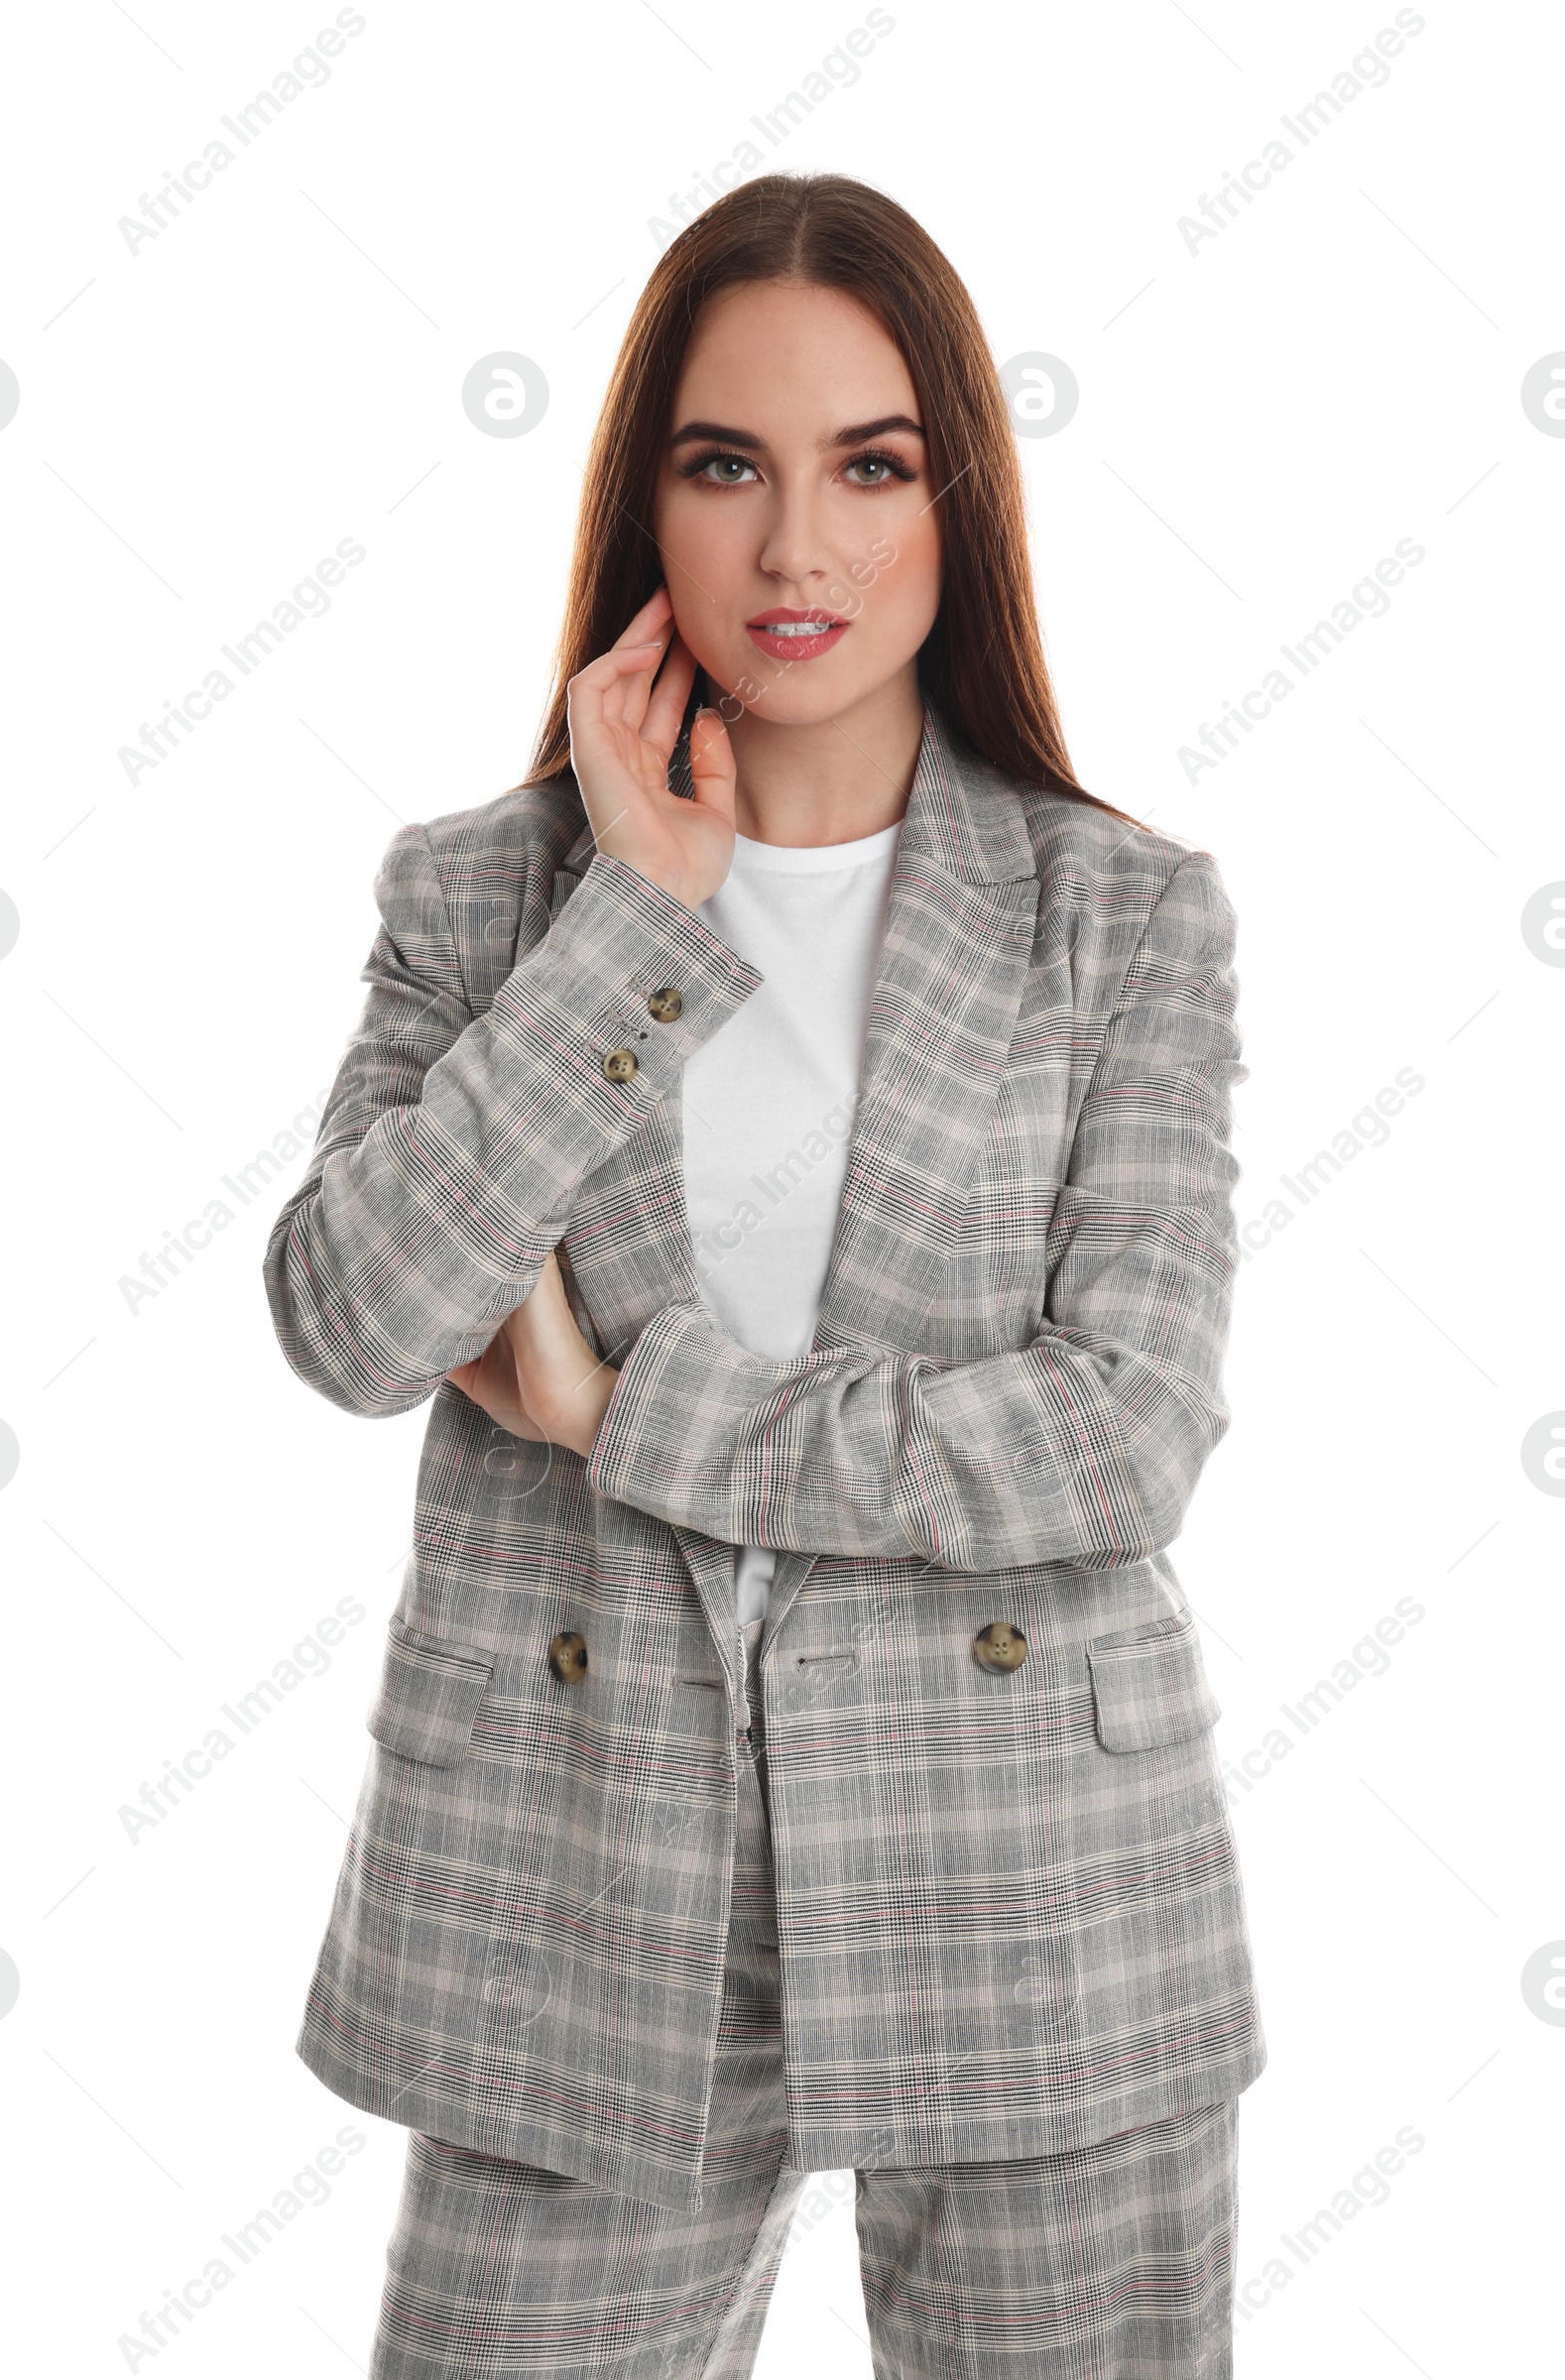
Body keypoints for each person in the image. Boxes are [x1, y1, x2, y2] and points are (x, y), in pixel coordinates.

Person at [263, 170, 1265, 2379]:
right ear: (647, 502)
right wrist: (632, 910)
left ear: (956, 504)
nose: (793, 550)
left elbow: (1122, 1428)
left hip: (1031, 1876)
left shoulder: (1123, 921)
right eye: (726, 466)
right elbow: (351, 1318)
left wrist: (634, 1416)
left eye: (867, 466)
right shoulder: (482, 898)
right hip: (578, 1871)